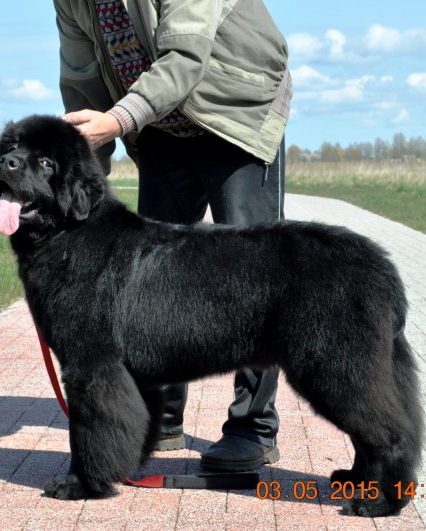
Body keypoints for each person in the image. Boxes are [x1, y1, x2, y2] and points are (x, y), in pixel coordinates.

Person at [53, 0, 292, 472]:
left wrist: (117, 121)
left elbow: (184, 58)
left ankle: (253, 429)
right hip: (159, 123)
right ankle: (159, 419)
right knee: (147, 280)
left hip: (235, 113)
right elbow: (82, 85)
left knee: (252, 278)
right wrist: (78, 192)